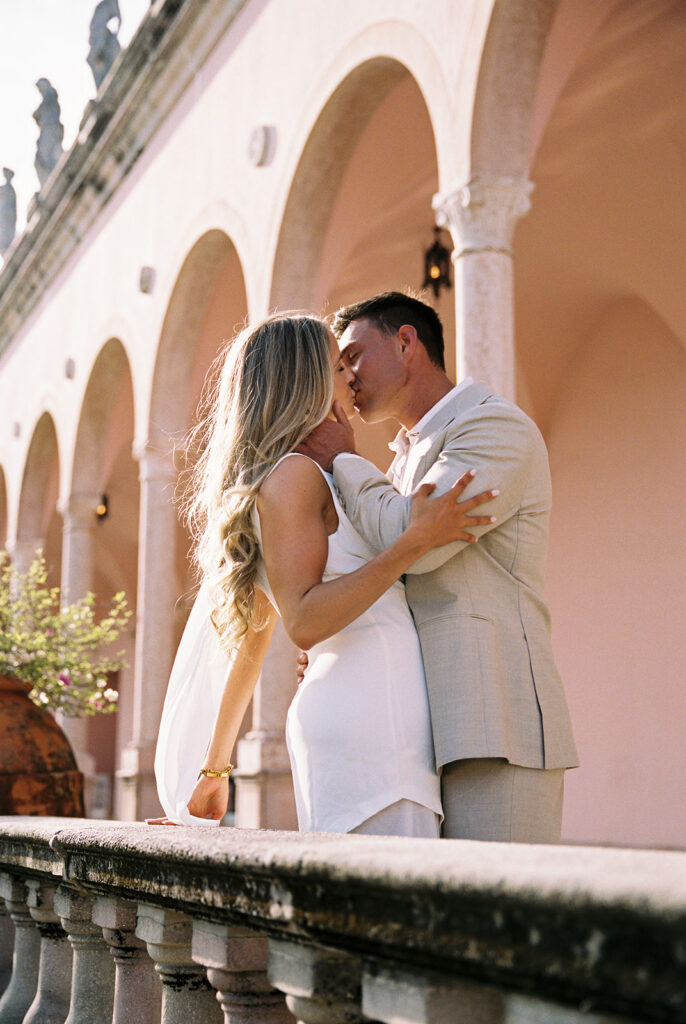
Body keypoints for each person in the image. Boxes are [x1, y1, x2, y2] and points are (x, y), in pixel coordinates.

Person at [148, 313, 497, 835]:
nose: (351, 377)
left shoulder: (297, 475)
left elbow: (253, 630)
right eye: (338, 365)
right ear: (306, 379)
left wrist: (216, 769)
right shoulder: (296, 476)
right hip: (374, 719)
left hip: (358, 713)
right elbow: (305, 621)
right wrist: (413, 543)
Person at [297, 292, 579, 843]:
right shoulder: (401, 460)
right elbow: (393, 569)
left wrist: (342, 459)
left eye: (352, 356)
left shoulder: (493, 427)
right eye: (339, 365)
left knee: (497, 921)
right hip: (413, 729)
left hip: (493, 719)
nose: (345, 377)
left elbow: (414, 542)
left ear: (406, 342)